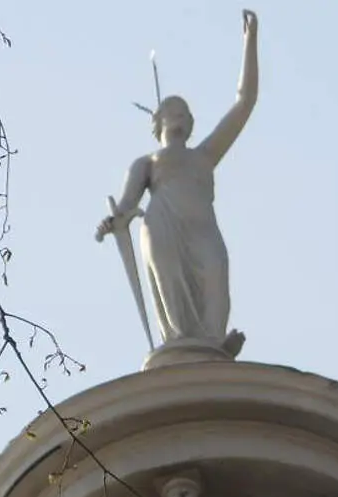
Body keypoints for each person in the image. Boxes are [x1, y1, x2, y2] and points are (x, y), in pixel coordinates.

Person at [96, 11, 259, 357]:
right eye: (175, 110)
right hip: (163, 227)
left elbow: (243, 104)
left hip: (203, 232)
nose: (183, 116)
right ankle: (185, 349)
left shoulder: (204, 155)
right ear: (159, 121)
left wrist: (250, 43)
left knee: (215, 276)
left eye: (186, 113)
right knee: (174, 300)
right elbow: (126, 206)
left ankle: (214, 347)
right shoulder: (148, 162)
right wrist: (114, 221)